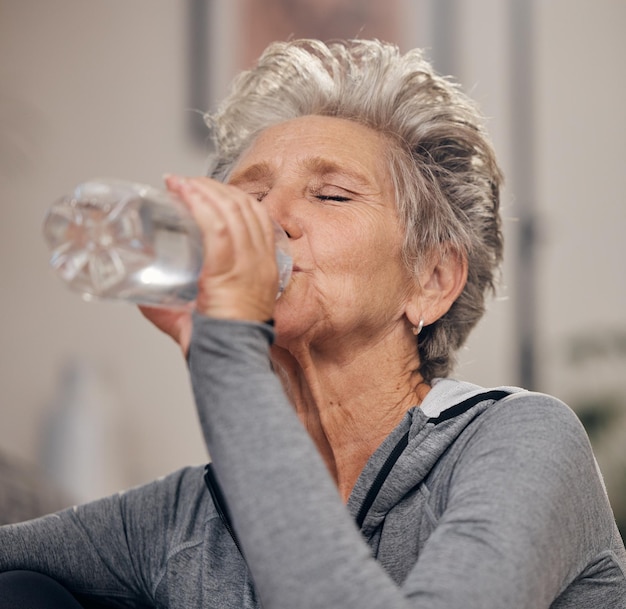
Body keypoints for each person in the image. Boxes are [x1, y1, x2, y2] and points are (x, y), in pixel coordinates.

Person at [1, 38, 625, 609]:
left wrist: (226, 351)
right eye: (248, 200)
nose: (273, 220)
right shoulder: (188, 517)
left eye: (331, 195)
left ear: (431, 280)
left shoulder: (520, 440)